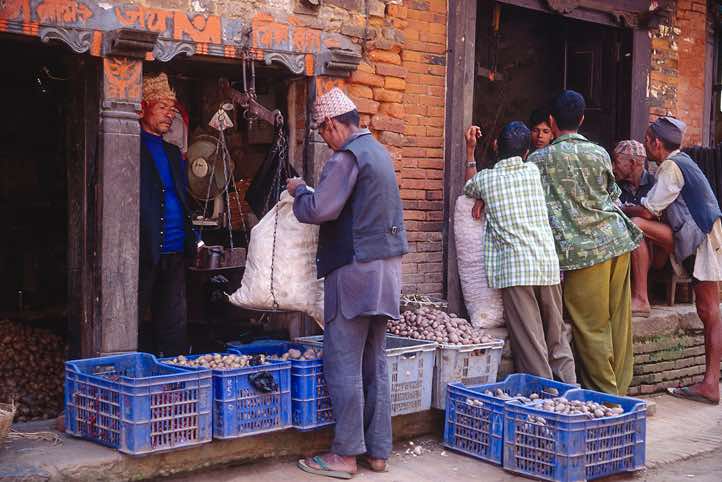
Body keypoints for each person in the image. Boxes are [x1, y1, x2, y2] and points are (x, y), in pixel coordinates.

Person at [287, 88, 408, 478]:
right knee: (374, 361)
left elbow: (322, 209)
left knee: (342, 361)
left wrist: (300, 192)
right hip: (387, 274)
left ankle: (344, 455)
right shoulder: (379, 153)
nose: (325, 139)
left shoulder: (347, 158)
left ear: (335, 125)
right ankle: (378, 453)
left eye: (324, 132)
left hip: (355, 273)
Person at [528, 90, 642, 396]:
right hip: (617, 242)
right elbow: (612, 196)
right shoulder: (599, 153)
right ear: (581, 119)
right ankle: (620, 390)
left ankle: (608, 401)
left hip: (584, 252)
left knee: (591, 328)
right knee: (618, 323)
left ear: (551, 122)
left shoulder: (538, 160)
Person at [463, 122, 576, 383]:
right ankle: (572, 392)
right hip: (547, 265)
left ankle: (545, 398)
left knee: (530, 342)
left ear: (494, 146)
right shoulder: (533, 172)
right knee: (556, 336)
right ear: (527, 152)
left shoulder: (486, 180)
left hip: (516, 270)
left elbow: (470, 186)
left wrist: (471, 152)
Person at [622, 117, 722, 405]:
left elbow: (650, 211)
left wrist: (620, 208)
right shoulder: (683, 162)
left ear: (656, 142)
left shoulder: (671, 166)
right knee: (709, 311)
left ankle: (710, 383)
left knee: (708, 311)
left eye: (646, 140)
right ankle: (709, 382)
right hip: (702, 233)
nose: (644, 145)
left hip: (702, 236)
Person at [138, 73, 196, 356]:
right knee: (134, 316)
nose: (169, 115)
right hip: (144, 249)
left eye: (172, 110)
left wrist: (193, 238)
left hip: (174, 250)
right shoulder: (130, 146)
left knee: (173, 323)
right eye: (162, 107)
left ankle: (173, 382)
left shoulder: (173, 153)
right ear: (143, 107)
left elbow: (183, 198)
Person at [612, 140, 660, 316]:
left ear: (632, 163)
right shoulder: (616, 186)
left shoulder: (655, 184)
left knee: (636, 229)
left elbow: (654, 215)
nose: (613, 167)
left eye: (617, 161)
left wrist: (624, 209)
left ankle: (641, 297)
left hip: (655, 248)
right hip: (625, 244)